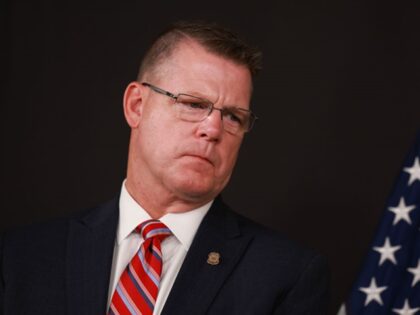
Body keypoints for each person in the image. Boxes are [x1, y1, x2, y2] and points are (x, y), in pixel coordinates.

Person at [0, 21, 329, 314]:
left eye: (233, 117)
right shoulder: (21, 257)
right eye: (193, 104)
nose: (213, 129)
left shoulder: (286, 276)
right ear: (136, 105)